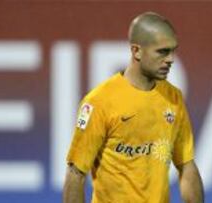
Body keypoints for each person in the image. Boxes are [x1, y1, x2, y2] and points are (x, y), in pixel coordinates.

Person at [63, 11, 204, 203]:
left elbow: (186, 166)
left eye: (173, 50)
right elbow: (76, 174)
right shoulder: (99, 102)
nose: (171, 59)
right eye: (162, 51)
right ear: (136, 51)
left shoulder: (173, 98)